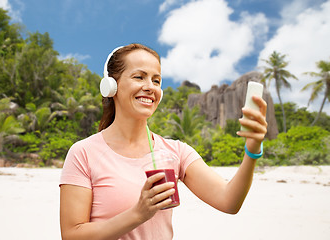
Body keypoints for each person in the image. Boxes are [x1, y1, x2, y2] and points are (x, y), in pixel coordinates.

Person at [59, 43, 268, 240]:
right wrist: (137, 214)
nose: (150, 87)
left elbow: (229, 201)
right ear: (111, 86)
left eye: (156, 80)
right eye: (139, 77)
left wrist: (252, 151)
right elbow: (72, 235)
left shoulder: (176, 152)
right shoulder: (84, 153)